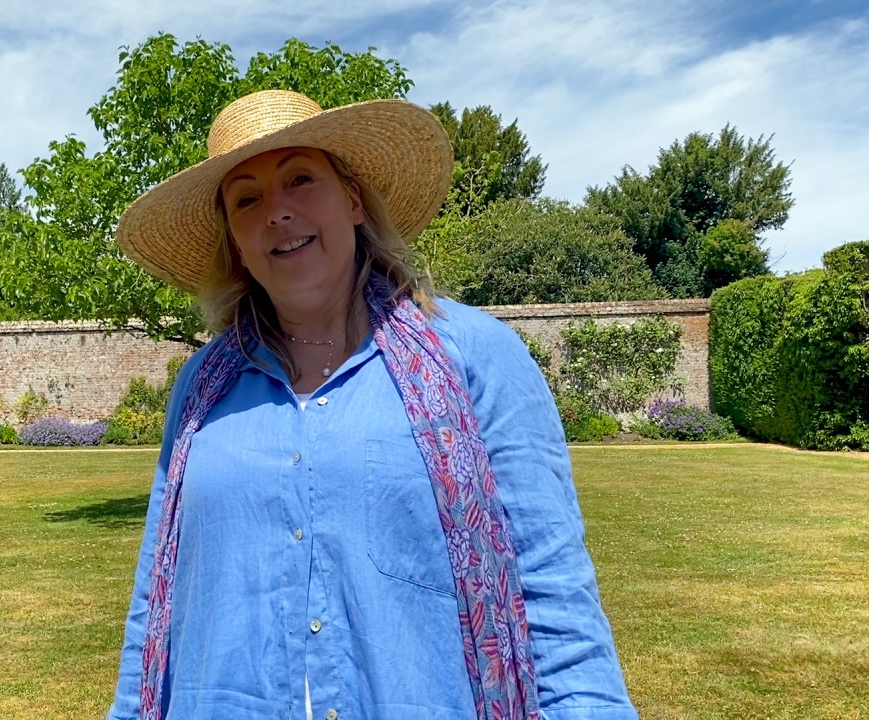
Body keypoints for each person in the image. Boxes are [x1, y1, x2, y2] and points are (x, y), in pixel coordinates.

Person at [106, 89, 638, 720]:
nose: (276, 211)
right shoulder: (202, 389)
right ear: (236, 240)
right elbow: (157, 603)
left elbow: (553, 599)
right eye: (246, 199)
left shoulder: (476, 357)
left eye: (300, 179)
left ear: (353, 200)